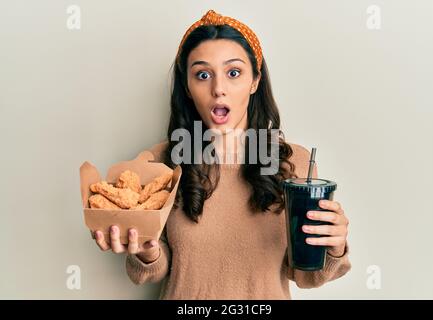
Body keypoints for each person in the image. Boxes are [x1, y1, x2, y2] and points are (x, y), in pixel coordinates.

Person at [93, 9, 351, 299]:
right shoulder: (159, 163)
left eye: (233, 72)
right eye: (202, 75)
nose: (218, 89)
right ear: (188, 88)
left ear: (255, 81)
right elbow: (152, 272)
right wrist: (146, 250)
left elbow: (307, 276)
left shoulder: (296, 164)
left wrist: (334, 246)